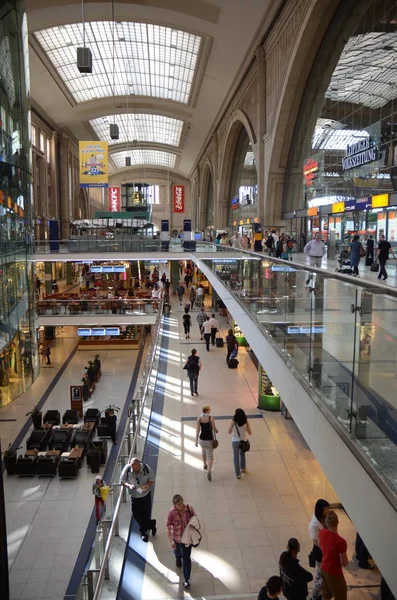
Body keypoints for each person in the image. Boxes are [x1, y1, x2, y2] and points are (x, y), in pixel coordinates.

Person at [120, 457, 156, 542]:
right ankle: (151, 524)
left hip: (145, 496)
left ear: (139, 465)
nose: (134, 469)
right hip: (134, 497)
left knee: (145, 514)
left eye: (136, 467)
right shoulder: (128, 469)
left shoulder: (146, 468)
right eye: (133, 467)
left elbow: (152, 480)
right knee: (136, 514)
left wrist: (145, 486)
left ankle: (143, 532)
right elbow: (122, 481)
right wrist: (129, 485)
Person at [166, 494, 197, 589]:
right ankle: (178, 557)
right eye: (178, 504)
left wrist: (193, 524)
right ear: (174, 505)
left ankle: (186, 579)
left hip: (187, 539)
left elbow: (195, 518)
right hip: (177, 538)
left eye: (181, 503)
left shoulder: (189, 509)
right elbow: (167, 525)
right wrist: (171, 540)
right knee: (178, 551)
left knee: (187, 558)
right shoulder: (171, 513)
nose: (180, 506)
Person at [318, 510, 348, 600]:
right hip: (334, 574)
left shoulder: (322, 532)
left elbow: (320, 545)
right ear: (337, 522)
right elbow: (344, 563)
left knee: (326, 595)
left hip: (323, 568)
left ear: (326, 522)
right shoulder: (341, 542)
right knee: (341, 596)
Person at [309, 499, 330, 600]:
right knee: (321, 578)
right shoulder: (314, 524)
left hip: (325, 551)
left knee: (319, 575)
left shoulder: (325, 518)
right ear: (321, 509)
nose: (328, 511)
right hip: (320, 553)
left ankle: (316, 595)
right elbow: (317, 543)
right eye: (326, 509)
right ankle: (314, 596)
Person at [195, 404, 218, 481]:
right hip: (209, 439)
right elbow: (214, 428)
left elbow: (198, 430)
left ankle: (205, 464)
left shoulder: (199, 418)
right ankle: (209, 471)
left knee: (203, 451)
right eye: (209, 410)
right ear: (207, 410)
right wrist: (216, 430)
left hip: (201, 439)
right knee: (210, 455)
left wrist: (196, 440)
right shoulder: (211, 418)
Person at [228, 408, 252, 478]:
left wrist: (233, 429)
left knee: (236, 457)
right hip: (243, 441)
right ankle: (243, 468)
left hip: (235, 441)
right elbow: (250, 432)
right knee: (242, 455)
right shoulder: (246, 422)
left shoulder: (233, 422)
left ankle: (238, 474)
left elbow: (229, 432)